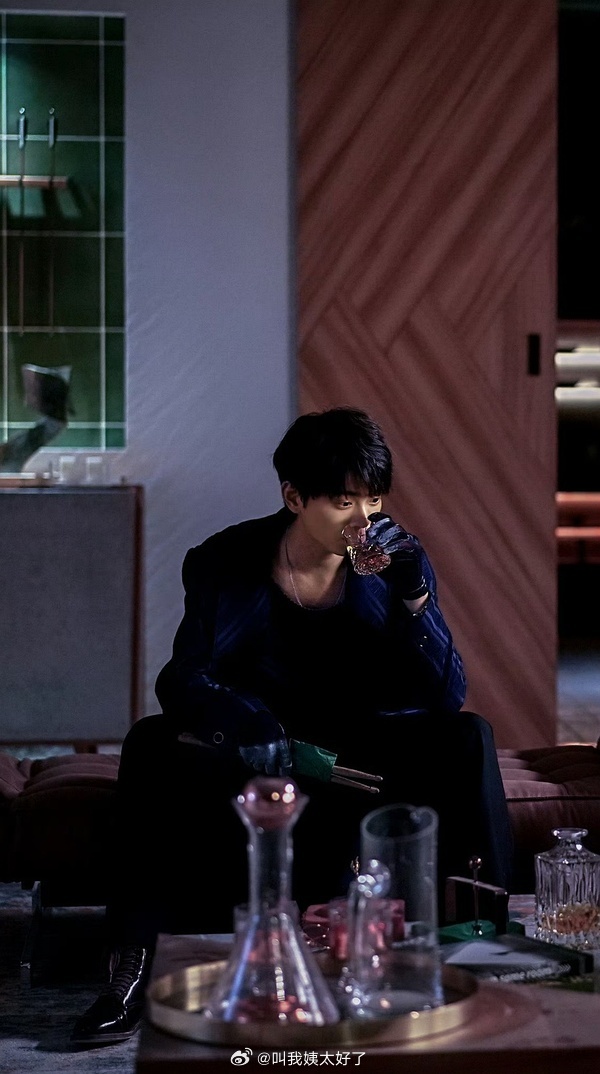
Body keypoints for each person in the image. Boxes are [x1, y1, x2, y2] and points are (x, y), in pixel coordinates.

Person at [71, 406, 513, 1046]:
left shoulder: (393, 565)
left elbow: (447, 697)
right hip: (263, 759)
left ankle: (491, 949)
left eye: (374, 500)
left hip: (360, 761)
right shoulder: (225, 560)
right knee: (148, 742)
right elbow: (183, 679)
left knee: (469, 736)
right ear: (294, 497)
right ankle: (130, 968)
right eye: (343, 502)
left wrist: (417, 597)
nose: (364, 521)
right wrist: (245, 718)